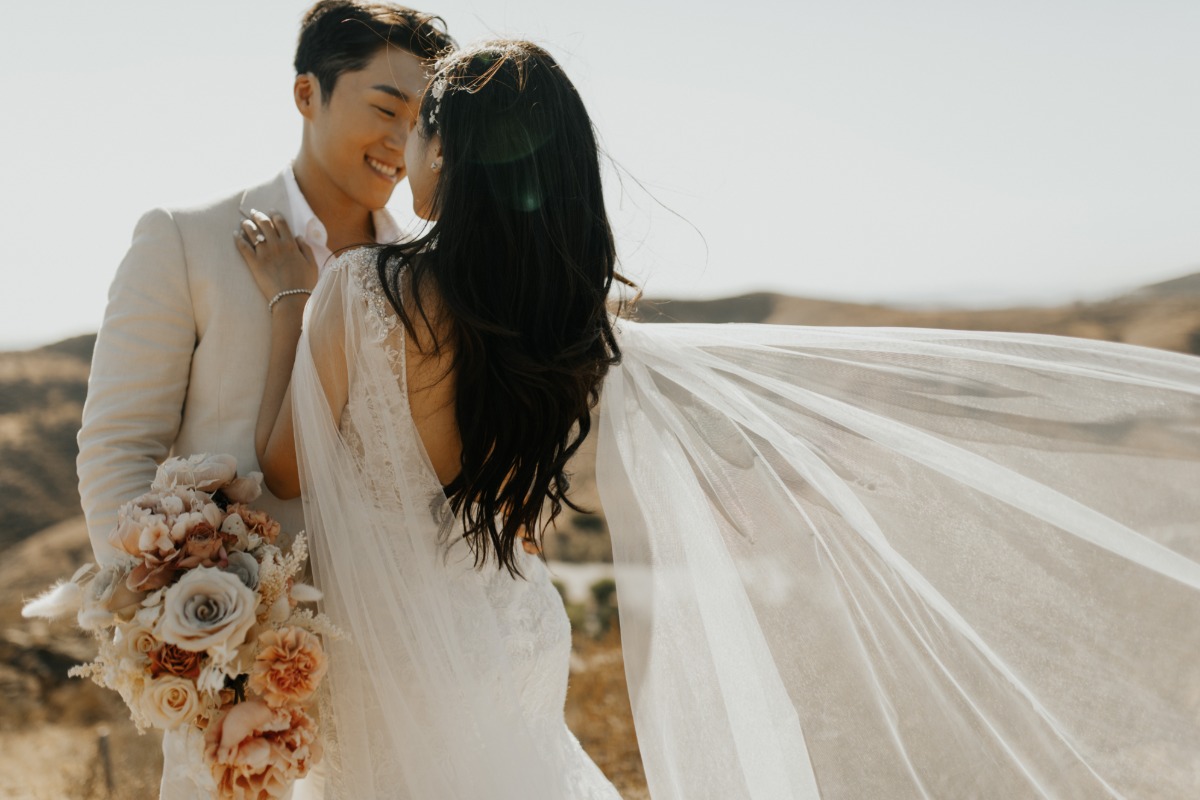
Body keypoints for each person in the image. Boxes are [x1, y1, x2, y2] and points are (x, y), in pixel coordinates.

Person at [241, 40, 1200, 799]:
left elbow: (285, 469)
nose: (404, 150)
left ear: (446, 152)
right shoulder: (565, 328)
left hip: (393, 648)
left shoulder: (359, 291)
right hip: (504, 631)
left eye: (417, 131)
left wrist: (291, 299)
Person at [75, 2, 454, 797]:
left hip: (403, 669)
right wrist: (179, 639)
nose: (400, 140)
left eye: (420, 120)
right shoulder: (184, 240)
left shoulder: (429, 277)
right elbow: (117, 447)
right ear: (306, 95)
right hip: (239, 688)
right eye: (385, 108)